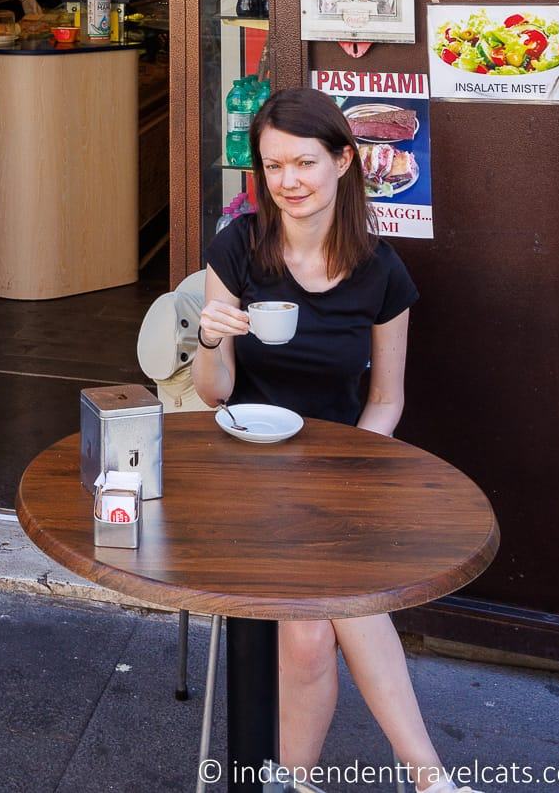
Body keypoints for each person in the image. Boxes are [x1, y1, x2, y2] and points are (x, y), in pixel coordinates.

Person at [192, 87, 452, 790]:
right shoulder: (237, 248)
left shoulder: (381, 272)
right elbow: (212, 393)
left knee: (313, 627)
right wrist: (210, 336)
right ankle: (427, 774)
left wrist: (350, 471)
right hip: (242, 469)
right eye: (273, 167)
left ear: (344, 160)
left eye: (303, 162)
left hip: (337, 475)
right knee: (339, 602)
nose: (288, 182)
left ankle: (292, 779)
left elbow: (387, 398)